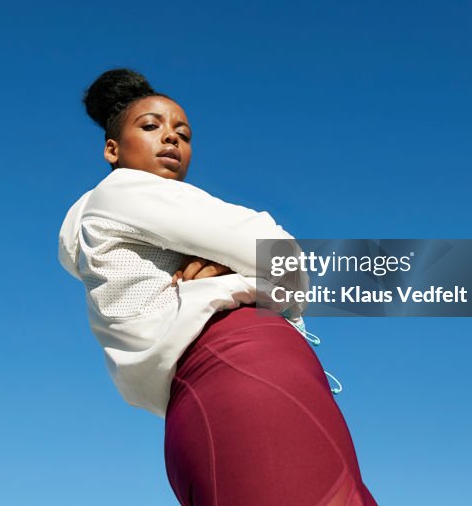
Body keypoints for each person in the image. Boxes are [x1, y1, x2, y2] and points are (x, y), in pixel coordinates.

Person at [57, 68, 376, 505]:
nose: (171, 139)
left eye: (183, 134)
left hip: (209, 395)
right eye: (150, 127)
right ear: (112, 149)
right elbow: (285, 257)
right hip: (245, 370)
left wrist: (226, 263)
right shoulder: (127, 191)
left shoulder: (104, 223)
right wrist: (243, 264)